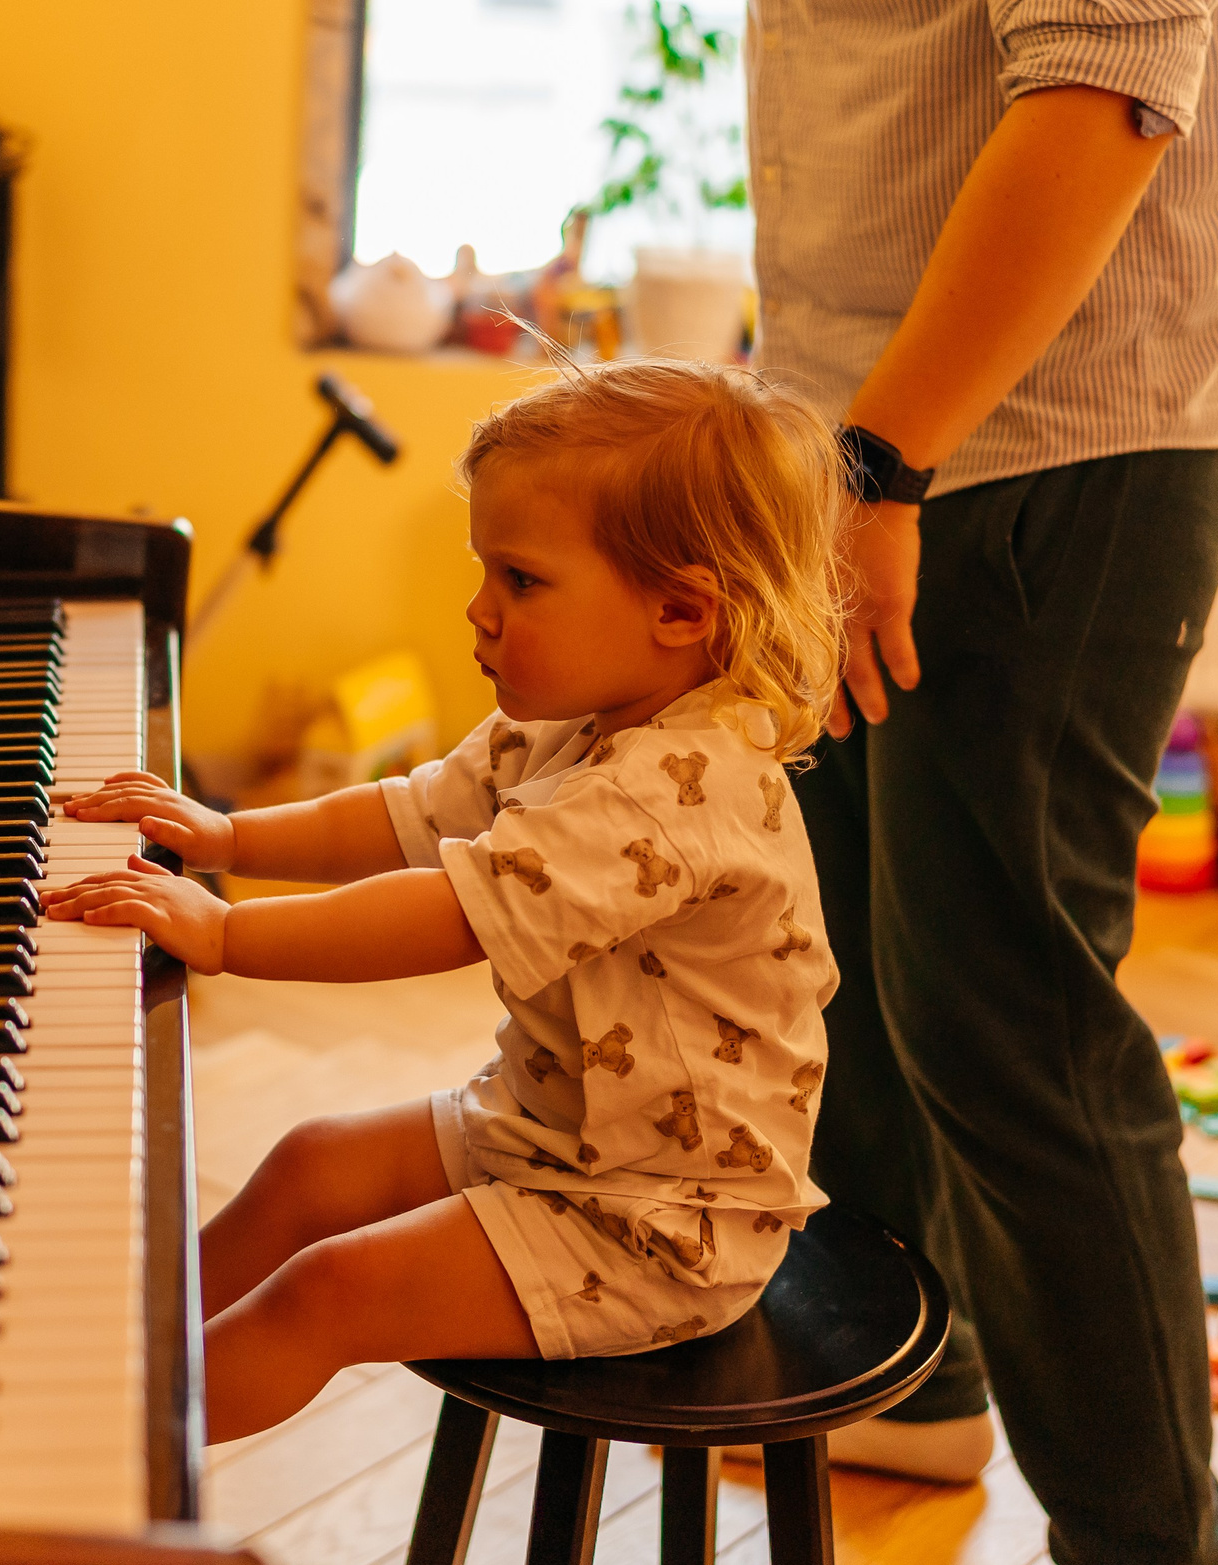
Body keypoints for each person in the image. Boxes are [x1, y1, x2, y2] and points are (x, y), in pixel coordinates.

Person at [746, 4, 1218, 1565]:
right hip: (873, 433)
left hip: (1053, 433)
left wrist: (884, 457)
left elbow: (1109, 90)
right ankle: (918, 1387)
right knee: (857, 946)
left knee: (1007, 1015)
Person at [43, 360, 847, 1441]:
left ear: (679, 608)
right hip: (551, 1131)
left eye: (521, 579)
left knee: (330, 1288)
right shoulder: (573, 720)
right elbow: (405, 815)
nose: (479, 609)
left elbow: (448, 915)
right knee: (308, 1165)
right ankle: (121, 1355)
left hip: (661, 1221)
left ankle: (103, 1454)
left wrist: (226, 932)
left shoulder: (669, 792)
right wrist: (229, 836)